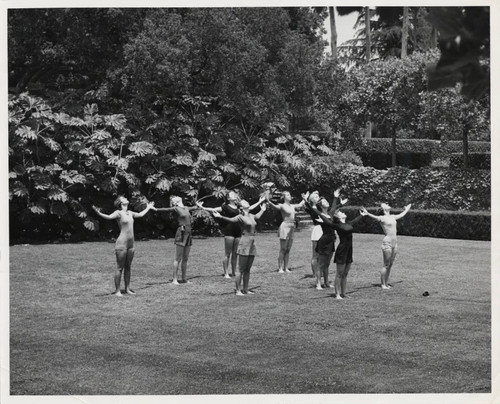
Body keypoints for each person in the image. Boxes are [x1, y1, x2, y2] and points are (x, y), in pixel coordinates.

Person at [92, 196, 155, 296]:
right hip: (121, 243)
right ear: (120, 202)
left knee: (128, 266)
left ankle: (127, 289)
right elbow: (108, 217)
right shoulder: (118, 213)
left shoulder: (130, 213)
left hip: (131, 243)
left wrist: (148, 207)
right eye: (123, 198)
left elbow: (140, 214)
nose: (126, 198)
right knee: (119, 267)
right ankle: (117, 291)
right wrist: (98, 213)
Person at [197, 192, 265, 278]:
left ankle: (233, 272)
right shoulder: (225, 207)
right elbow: (213, 209)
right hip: (229, 230)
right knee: (227, 253)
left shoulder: (239, 207)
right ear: (228, 198)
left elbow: (250, 208)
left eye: (234, 194)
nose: (234, 195)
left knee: (235, 253)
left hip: (238, 231)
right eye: (232, 195)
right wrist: (202, 207)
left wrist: (260, 201)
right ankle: (226, 273)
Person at [212, 200, 267, 296]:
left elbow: (257, 216)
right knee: (241, 269)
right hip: (244, 242)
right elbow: (231, 220)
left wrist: (262, 210)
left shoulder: (251, 216)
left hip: (252, 243)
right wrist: (220, 216)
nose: (247, 202)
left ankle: (245, 289)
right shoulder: (240, 217)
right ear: (241, 207)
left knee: (248, 269)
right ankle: (238, 290)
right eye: (245, 202)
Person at [360, 203, 412, 289]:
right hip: (387, 243)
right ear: (383, 208)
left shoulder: (392, 216)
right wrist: (367, 213)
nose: (388, 204)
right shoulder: (382, 218)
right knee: (386, 264)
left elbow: (402, 214)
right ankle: (383, 284)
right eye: (385, 204)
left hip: (395, 243)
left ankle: (386, 283)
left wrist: (407, 209)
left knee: (390, 264)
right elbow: (375, 217)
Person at [303, 189, 347, 290]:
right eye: (324, 202)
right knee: (321, 263)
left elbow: (335, 206)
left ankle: (326, 282)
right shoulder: (320, 214)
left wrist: (336, 197)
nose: (326, 202)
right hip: (324, 240)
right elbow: (311, 208)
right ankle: (318, 283)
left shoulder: (330, 214)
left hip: (331, 240)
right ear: (320, 206)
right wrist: (306, 200)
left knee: (327, 263)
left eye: (326, 201)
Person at [316, 209, 364, 299]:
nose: (343, 212)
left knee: (345, 273)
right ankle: (337, 294)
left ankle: (344, 293)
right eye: (341, 212)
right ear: (338, 217)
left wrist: (362, 215)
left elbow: (355, 220)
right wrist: (313, 208)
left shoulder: (348, 223)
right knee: (339, 273)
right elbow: (324, 218)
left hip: (349, 250)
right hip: (342, 251)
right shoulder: (337, 225)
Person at [154, 196, 199, 285]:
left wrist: (198, 205)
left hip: (188, 233)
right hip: (181, 233)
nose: (176, 197)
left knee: (185, 258)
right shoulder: (176, 208)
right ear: (175, 202)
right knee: (178, 258)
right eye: (174, 198)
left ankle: (184, 278)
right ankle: (174, 279)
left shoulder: (186, 208)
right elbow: (165, 209)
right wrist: (155, 209)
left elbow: (195, 207)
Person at [266, 191, 305, 273]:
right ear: (283, 197)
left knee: (288, 249)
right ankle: (280, 268)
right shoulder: (282, 205)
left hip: (292, 227)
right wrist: (268, 201)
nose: (290, 196)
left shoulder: (292, 206)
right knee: (283, 248)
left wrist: (305, 198)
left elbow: (300, 204)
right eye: (288, 195)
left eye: (290, 194)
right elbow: (275, 206)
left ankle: (286, 267)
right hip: (285, 226)